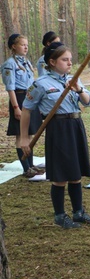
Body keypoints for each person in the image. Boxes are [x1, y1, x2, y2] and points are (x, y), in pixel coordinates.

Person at [20, 42, 90, 229]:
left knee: (76, 173)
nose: (69, 63)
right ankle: (60, 215)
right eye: (65, 60)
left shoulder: (74, 79)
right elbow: (26, 109)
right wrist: (24, 138)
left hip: (76, 126)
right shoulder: (40, 84)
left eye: (70, 60)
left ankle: (78, 212)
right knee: (61, 175)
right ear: (52, 61)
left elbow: (89, 102)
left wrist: (78, 89)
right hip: (58, 128)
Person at [2, 34, 44, 177]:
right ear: (14, 46)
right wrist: (15, 107)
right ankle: (26, 168)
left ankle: (31, 165)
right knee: (21, 135)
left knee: (30, 133)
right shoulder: (10, 64)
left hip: (29, 98)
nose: (26, 47)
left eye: (26, 44)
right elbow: (10, 88)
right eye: (22, 44)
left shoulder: (26, 62)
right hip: (19, 98)